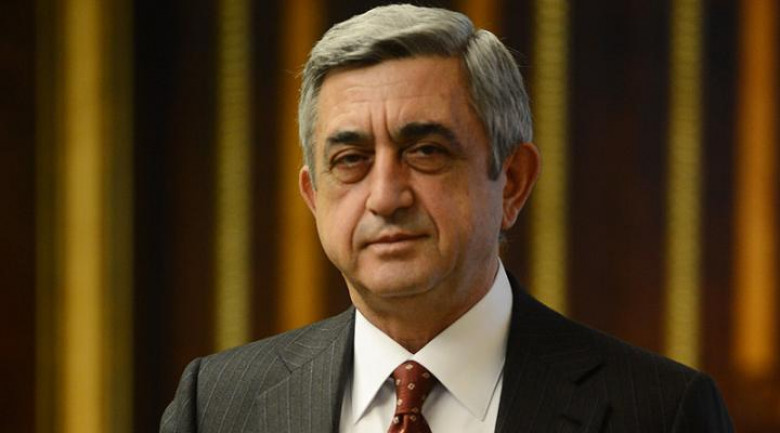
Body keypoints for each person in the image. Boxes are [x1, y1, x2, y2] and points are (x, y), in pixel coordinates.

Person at [160, 4, 733, 432]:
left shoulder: (659, 411)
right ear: (313, 196)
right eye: (351, 159)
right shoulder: (216, 406)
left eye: (426, 151)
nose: (385, 197)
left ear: (512, 181)